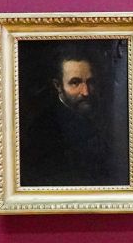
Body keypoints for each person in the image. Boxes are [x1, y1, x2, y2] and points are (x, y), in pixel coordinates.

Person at [20, 46, 126, 186]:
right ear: (58, 86)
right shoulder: (43, 129)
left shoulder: (98, 118)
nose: (86, 92)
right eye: (75, 83)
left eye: (90, 82)